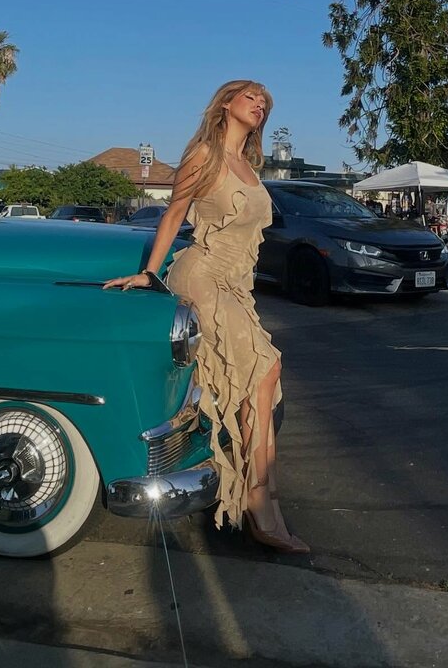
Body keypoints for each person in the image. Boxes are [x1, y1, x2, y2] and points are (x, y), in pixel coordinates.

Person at [103, 80, 308, 554]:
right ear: (226, 103)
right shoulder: (205, 155)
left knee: (262, 381)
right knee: (264, 371)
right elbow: (175, 213)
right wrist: (150, 273)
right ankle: (259, 504)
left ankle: (263, 499)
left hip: (235, 285)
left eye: (265, 103)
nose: (259, 105)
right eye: (251, 97)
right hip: (201, 276)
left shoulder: (249, 165)